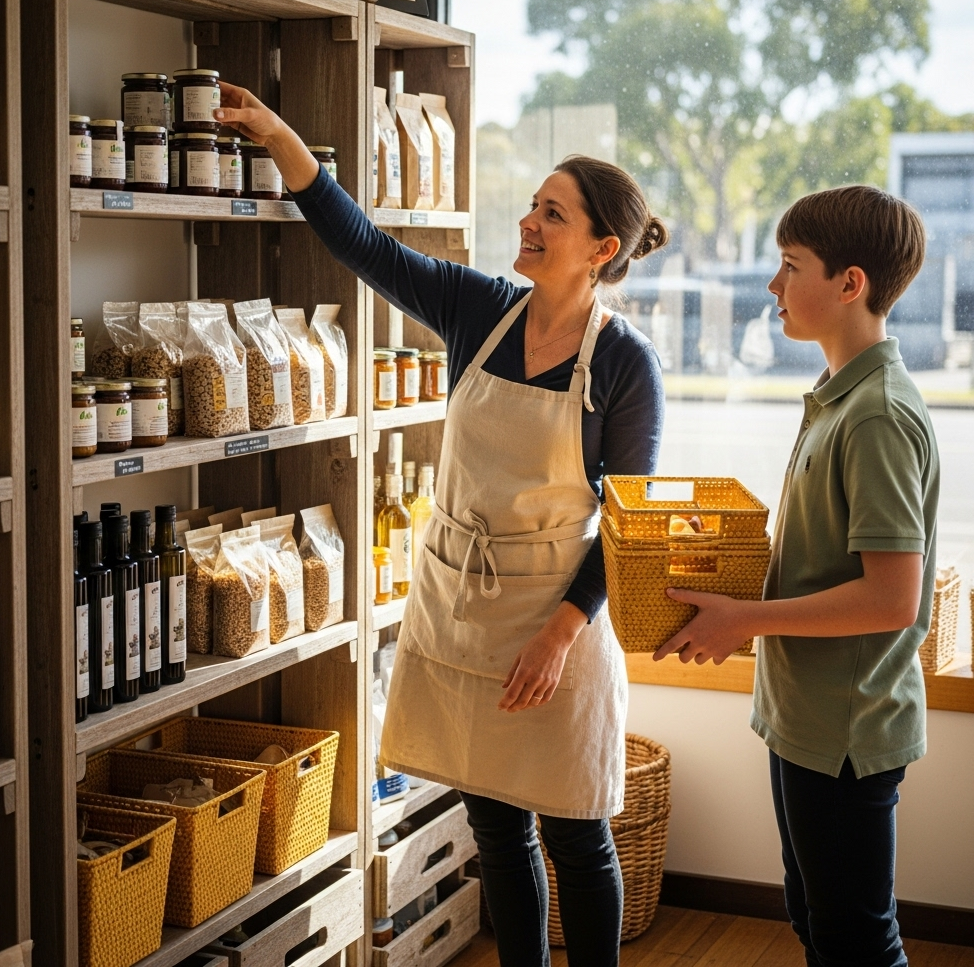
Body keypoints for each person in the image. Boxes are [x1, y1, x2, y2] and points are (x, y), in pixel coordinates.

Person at [212, 85, 667, 966]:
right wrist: (276, 134)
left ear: (602, 249)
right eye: (534, 206)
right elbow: (363, 243)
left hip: (558, 620)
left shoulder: (622, 362)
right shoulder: (479, 308)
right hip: (462, 607)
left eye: (553, 215)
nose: (529, 223)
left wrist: (563, 634)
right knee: (495, 826)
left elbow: (627, 524)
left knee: (577, 832)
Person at [656, 185, 938, 967]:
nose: (774, 287)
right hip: (806, 720)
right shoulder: (840, 400)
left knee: (854, 940)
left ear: (851, 284)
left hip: (845, 733)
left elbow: (891, 598)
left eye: (789, 266)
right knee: (817, 923)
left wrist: (742, 620)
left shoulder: (877, 413)